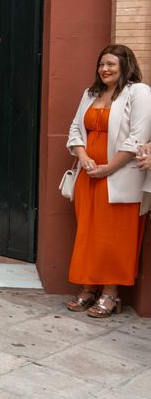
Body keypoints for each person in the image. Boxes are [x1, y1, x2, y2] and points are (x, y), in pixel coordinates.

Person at [65, 44, 151, 318]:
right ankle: (89, 288)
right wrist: (83, 156)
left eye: (111, 64)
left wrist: (108, 168)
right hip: (88, 176)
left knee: (113, 238)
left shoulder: (139, 93)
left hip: (120, 178)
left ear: (126, 65)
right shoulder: (90, 94)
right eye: (102, 64)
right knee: (88, 234)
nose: (105, 69)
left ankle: (111, 294)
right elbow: (76, 128)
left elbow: (137, 137)